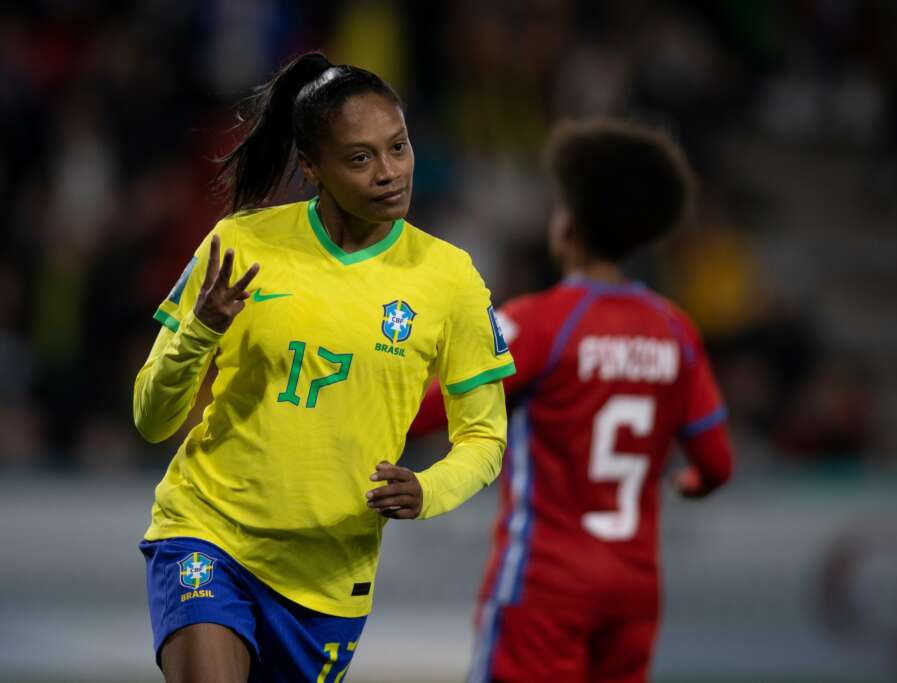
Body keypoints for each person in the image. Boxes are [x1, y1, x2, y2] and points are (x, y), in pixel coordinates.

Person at [133, 52, 515, 683]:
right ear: (311, 167)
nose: (390, 173)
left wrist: (427, 490)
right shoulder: (239, 245)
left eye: (399, 147)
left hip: (328, 580)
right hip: (208, 533)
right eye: (361, 158)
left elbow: (484, 439)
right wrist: (199, 332)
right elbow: (151, 418)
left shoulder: (450, 279)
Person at [410, 119, 735, 683]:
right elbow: (716, 463)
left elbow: (431, 412)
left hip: (545, 586)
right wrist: (690, 485)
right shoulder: (675, 331)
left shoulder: (541, 323)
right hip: (633, 592)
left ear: (571, 227)